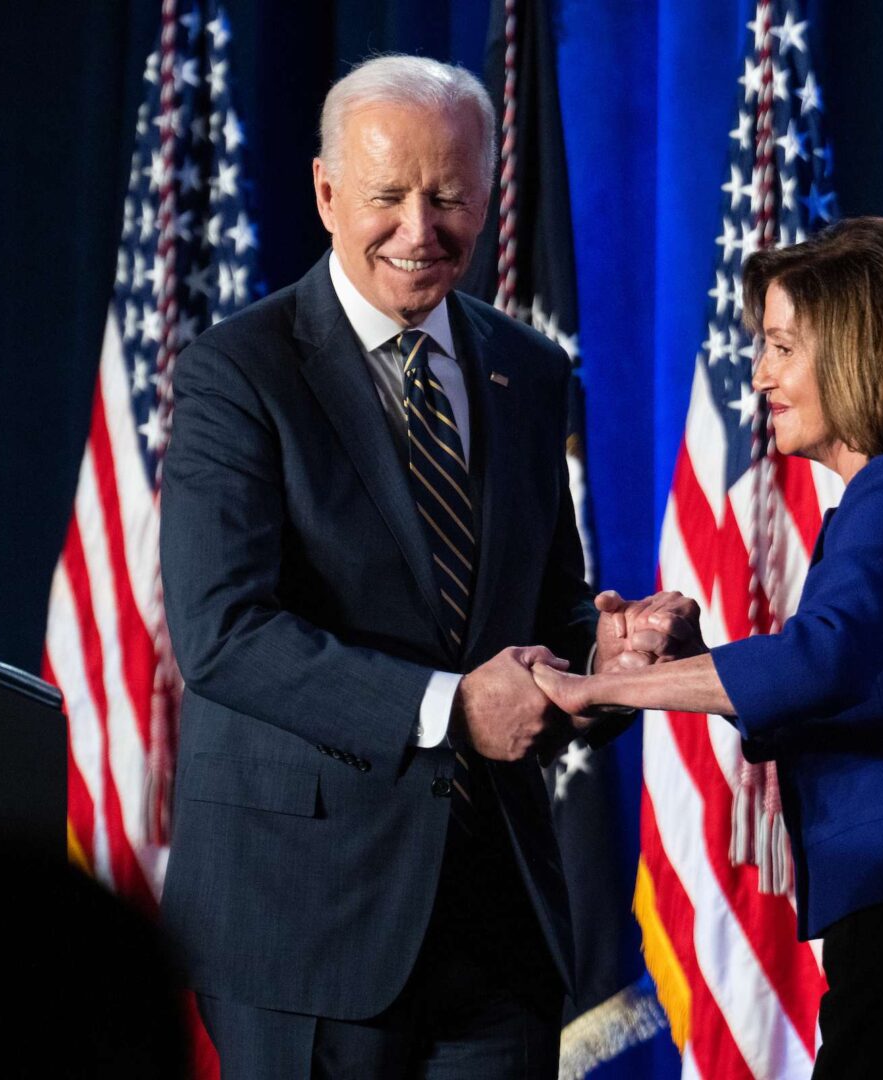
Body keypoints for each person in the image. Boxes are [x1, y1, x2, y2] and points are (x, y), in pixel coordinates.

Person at [158, 55, 696, 1078]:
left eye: (448, 196)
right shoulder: (241, 372)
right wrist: (451, 707)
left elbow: (542, 608)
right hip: (306, 921)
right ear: (325, 193)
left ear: (489, 190)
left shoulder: (527, 371)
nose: (419, 229)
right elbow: (224, 634)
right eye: (387, 196)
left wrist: (608, 654)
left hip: (498, 923)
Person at [533, 217, 883, 1077]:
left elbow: (825, 663)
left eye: (783, 347)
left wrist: (596, 690)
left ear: (863, 349)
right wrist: (696, 651)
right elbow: (870, 689)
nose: (759, 376)